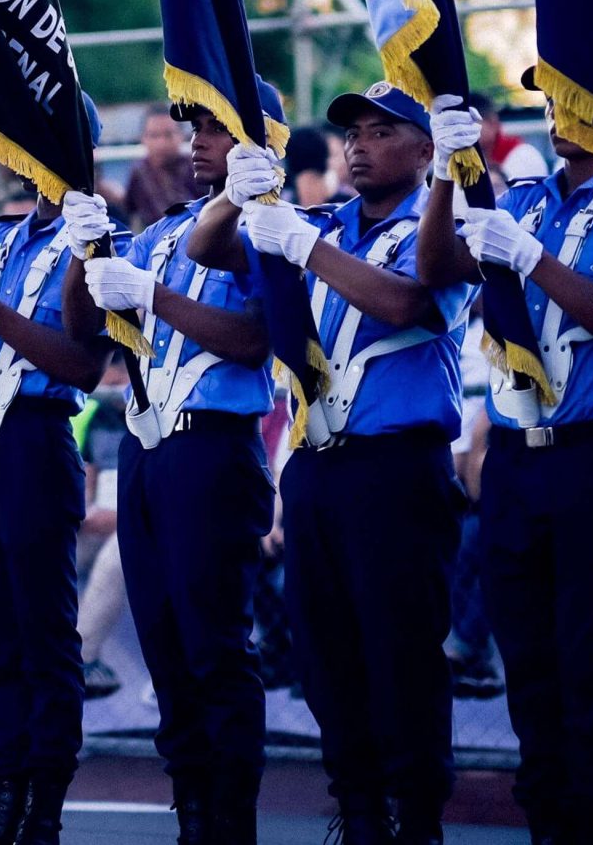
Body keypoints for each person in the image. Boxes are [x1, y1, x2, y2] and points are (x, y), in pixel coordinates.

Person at [192, 82, 469, 845]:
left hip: (396, 468)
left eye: (383, 131)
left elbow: (407, 303)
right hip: (318, 466)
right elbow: (205, 249)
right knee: (326, 655)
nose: (359, 144)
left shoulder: (440, 229)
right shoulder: (324, 221)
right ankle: (360, 813)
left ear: (425, 149)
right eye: (352, 132)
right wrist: (236, 194)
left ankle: (417, 818)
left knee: (400, 651)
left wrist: (305, 247)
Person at [420, 76, 593, 845]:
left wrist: (532, 260)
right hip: (515, 466)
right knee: (526, 659)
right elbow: (436, 269)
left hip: (591, 460)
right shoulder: (522, 197)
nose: (561, 112)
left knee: (592, 658)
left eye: (579, 96)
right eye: (552, 99)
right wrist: (443, 172)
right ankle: (548, 826)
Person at [84, 82, 289, 841]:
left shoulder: (272, 226)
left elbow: (250, 340)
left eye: (213, 128)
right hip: (147, 447)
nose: (198, 140)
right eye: (193, 128)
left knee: (214, 648)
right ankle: (192, 815)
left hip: (212, 447)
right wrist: (88, 244)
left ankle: (230, 826)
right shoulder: (161, 231)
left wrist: (154, 297)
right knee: (166, 644)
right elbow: (90, 329)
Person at [0, 160, 111, 845]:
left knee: (43, 637)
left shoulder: (92, 239)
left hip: (34, 441)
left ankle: (45, 809)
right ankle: (7, 798)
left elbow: (80, 365)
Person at [118, 115, 196, 227]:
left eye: (168, 135)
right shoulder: (139, 172)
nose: (161, 143)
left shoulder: (196, 167)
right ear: (143, 139)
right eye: (154, 136)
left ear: (181, 136)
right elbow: (128, 210)